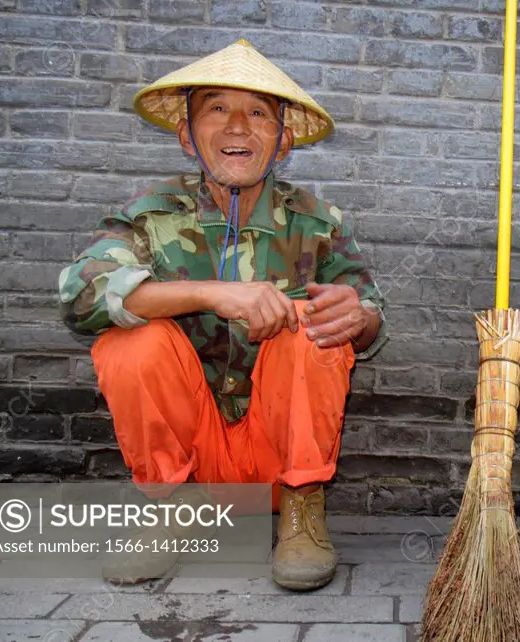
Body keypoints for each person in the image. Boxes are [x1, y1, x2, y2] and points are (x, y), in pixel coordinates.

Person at [58, 39, 386, 590]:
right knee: (127, 340)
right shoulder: (150, 214)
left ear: (282, 141)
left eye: (258, 112)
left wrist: (357, 316)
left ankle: (304, 511)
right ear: (188, 134)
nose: (238, 127)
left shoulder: (316, 220)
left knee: (313, 327)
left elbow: (371, 313)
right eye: (216, 109)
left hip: (279, 460)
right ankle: (171, 510)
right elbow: (80, 295)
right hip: (193, 458)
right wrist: (212, 293)